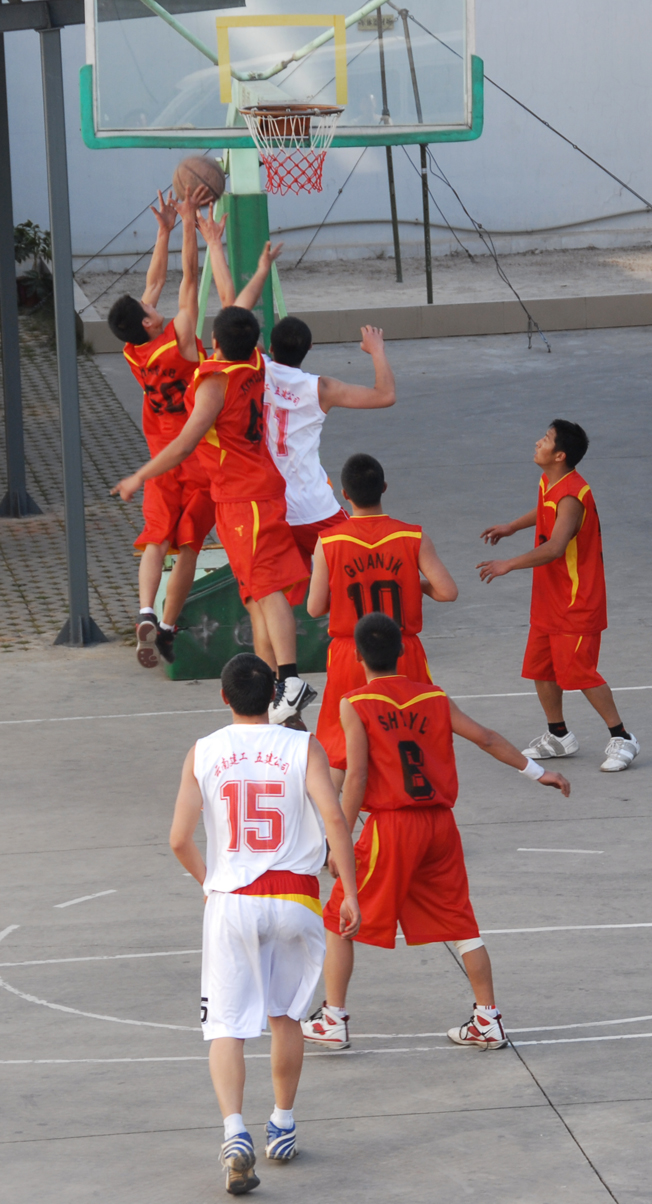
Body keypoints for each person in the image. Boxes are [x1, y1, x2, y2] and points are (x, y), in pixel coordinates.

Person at [301, 613, 570, 1052]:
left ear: (357, 656)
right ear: (402, 651)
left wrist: (340, 840)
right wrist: (538, 772)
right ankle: (488, 1020)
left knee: (338, 917)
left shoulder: (356, 702)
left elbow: (357, 776)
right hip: (440, 825)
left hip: (392, 826)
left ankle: (333, 1018)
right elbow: (485, 737)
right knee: (461, 921)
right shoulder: (434, 696)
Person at [169, 653, 360, 1194]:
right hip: (296, 897)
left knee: (226, 1026)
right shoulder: (303, 746)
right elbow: (334, 818)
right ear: (275, 696)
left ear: (224, 697)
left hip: (233, 900)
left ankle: (235, 1132)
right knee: (285, 1016)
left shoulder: (204, 751)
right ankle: (282, 1123)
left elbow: (179, 839)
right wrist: (349, 889)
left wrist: (209, 882)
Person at [112, 306, 315, 724]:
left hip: (246, 499)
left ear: (216, 342)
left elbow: (185, 444)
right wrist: (210, 263)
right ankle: (275, 696)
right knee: (255, 601)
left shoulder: (214, 384)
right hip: (239, 496)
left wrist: (139, 476)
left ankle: (291, 680)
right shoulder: (255, 362)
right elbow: (238, 311)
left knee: (268, 590)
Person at [477, 420, 639, 772]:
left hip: (576, 601)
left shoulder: (572, 495)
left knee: (579, 672)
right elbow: (544, 510)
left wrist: (508, 564)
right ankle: (559, 735)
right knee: (542, 667)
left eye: (546, 439)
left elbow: (555, 547)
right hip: (549, 597)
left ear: (560, 455)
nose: (538, 442)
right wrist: (512, 526)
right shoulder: (549, 481)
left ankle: (623, 737)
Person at [108, 189, 218, 668]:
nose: (152, 303)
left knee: (156, 538)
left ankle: (146, 612)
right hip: (196, 454)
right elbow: (189, 277)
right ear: (150, 323)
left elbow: (154, 283)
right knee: (189, 545)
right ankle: (169, 626)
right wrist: (189, 224)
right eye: (149, 308)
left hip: (159, 458)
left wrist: (163, 232)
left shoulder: (134, 351)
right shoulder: (180, 340)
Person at [307, 453, 458, 784]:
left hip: (351, 653)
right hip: (401, 652)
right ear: (384, 487)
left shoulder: (329, 541)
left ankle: (331, 816)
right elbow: (447, 592)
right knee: (408, 733)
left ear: (344, 494)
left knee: (340, 745)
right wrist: (414, 584)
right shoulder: (412, 536)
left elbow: (314, 608)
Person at [263, 317, 396, 578]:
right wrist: (376, 349)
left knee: (288, 589)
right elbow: (386, 395)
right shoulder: (320, 388)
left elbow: (234, 314)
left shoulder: (256, 372)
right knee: (366, 572)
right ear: (310, 347)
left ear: (270, 347)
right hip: (313, 508)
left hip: (269, 509)